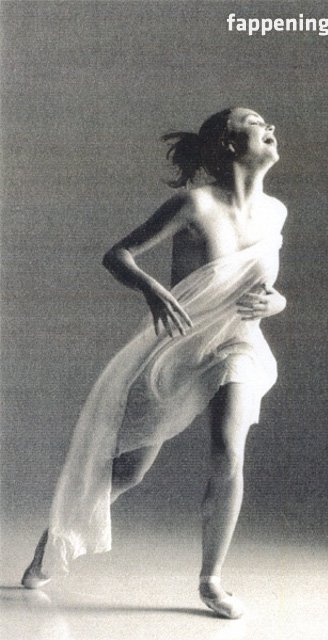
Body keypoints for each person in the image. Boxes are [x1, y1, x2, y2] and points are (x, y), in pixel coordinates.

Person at [21, 107, 287, 619]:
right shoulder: (194, 203)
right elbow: (117, 255)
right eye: (255, 122)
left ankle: (211, 580)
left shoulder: (276, 213)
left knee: (228, 450)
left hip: (238, 343)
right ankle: (53, 545)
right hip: (178, 347)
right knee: (129, 472)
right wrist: (151, 289)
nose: (269, 127)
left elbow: (266, 291)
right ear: (229, 143)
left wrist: (278, 303)